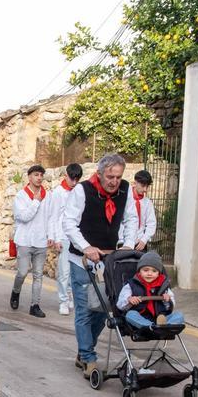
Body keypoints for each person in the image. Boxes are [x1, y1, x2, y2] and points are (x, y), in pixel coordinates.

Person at [60, 153, 136, 377]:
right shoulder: (82, 191)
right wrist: (86, 247)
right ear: (100, 173)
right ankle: (89, 358)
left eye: (118, 177)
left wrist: (129, 244)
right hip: (81, 260)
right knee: (84, 309)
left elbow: (131, 218)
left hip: (109, 259)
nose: (114, 182)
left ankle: (84, 351)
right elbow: (69, 223)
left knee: (104, 310)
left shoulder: (125, 190)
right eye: (110, 176)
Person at [10, 165, 61, 318]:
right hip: (24, 240)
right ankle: (16, 292)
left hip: (40, 241)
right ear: (29, 177)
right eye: (36, 175)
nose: (39, 178)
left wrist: (51, 235)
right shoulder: (21, 196)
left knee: (38, 274)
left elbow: (52, 217)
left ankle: (35, 305)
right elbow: (24, 216)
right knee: (22, 272)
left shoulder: (48, 195)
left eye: (41, 175)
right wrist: (36, 202)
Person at [118, 251, 184, 329]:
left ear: (158, 273)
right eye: (146, 270)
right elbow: (120, 304)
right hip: (141, 317)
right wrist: (129, 299)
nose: (149, 273)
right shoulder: (131, 285)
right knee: (130, 315)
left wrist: (167, 300)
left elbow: (171, 305)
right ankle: (152, 327)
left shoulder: (163, 285)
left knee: (179, 315)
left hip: (160, 317)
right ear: (139, 271)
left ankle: (163, 326)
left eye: (154, 271)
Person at [49, 163, 83, 315]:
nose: (74, 183)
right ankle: (63, 300)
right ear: (66, 176)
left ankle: (70, 295)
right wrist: (54, 237)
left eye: (77, 180)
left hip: (75, 235)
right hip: (63, 236)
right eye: (72, 179)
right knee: (64, 271)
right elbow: (53, 216)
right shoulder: (58, 193)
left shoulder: (79, 192)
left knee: (74, 269)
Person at [125, 169, 157, 250]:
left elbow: (151, 223)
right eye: (143, 186)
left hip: (140, 244)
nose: (145, 190)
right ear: (135, 183)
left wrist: (144, 240)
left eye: (147, 186)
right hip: (124, 242)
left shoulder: (147, 203)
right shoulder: (125, 198)